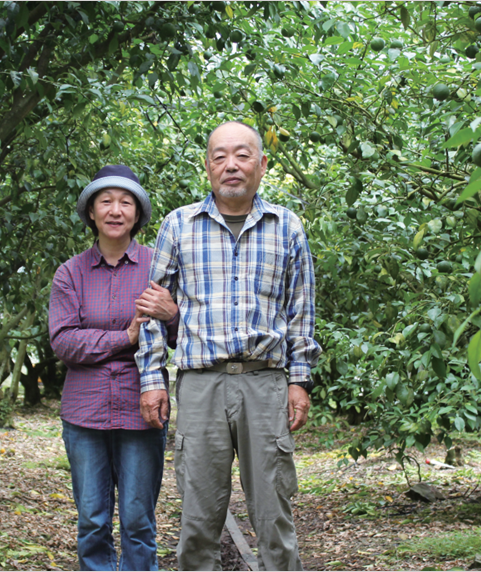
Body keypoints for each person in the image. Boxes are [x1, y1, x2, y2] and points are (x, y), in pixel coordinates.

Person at [136, 121, 322, 571]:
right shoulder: (178, 225)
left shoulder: (288, 227)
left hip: (266, 383)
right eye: (219, 156)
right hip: (200, 386)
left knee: (274, 515)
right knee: (198, 519)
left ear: (261, 165)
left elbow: (302, 312)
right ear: (207, 166)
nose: (231, 165)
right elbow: (150, 310)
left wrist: (300, 381)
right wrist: (151, 379)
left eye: (242, 155)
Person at [49, 164, 179, 571]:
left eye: (126, 202)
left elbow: (179, 337)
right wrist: (125, 338)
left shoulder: (158, 267)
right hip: (84, 414)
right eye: (106, 201)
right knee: (92, 520)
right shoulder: (70, 273)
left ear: (138, 214)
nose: (115, 210)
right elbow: (65, 342)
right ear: (91, 212)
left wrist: (172, 315)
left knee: (139, 522)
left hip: (141, 409)